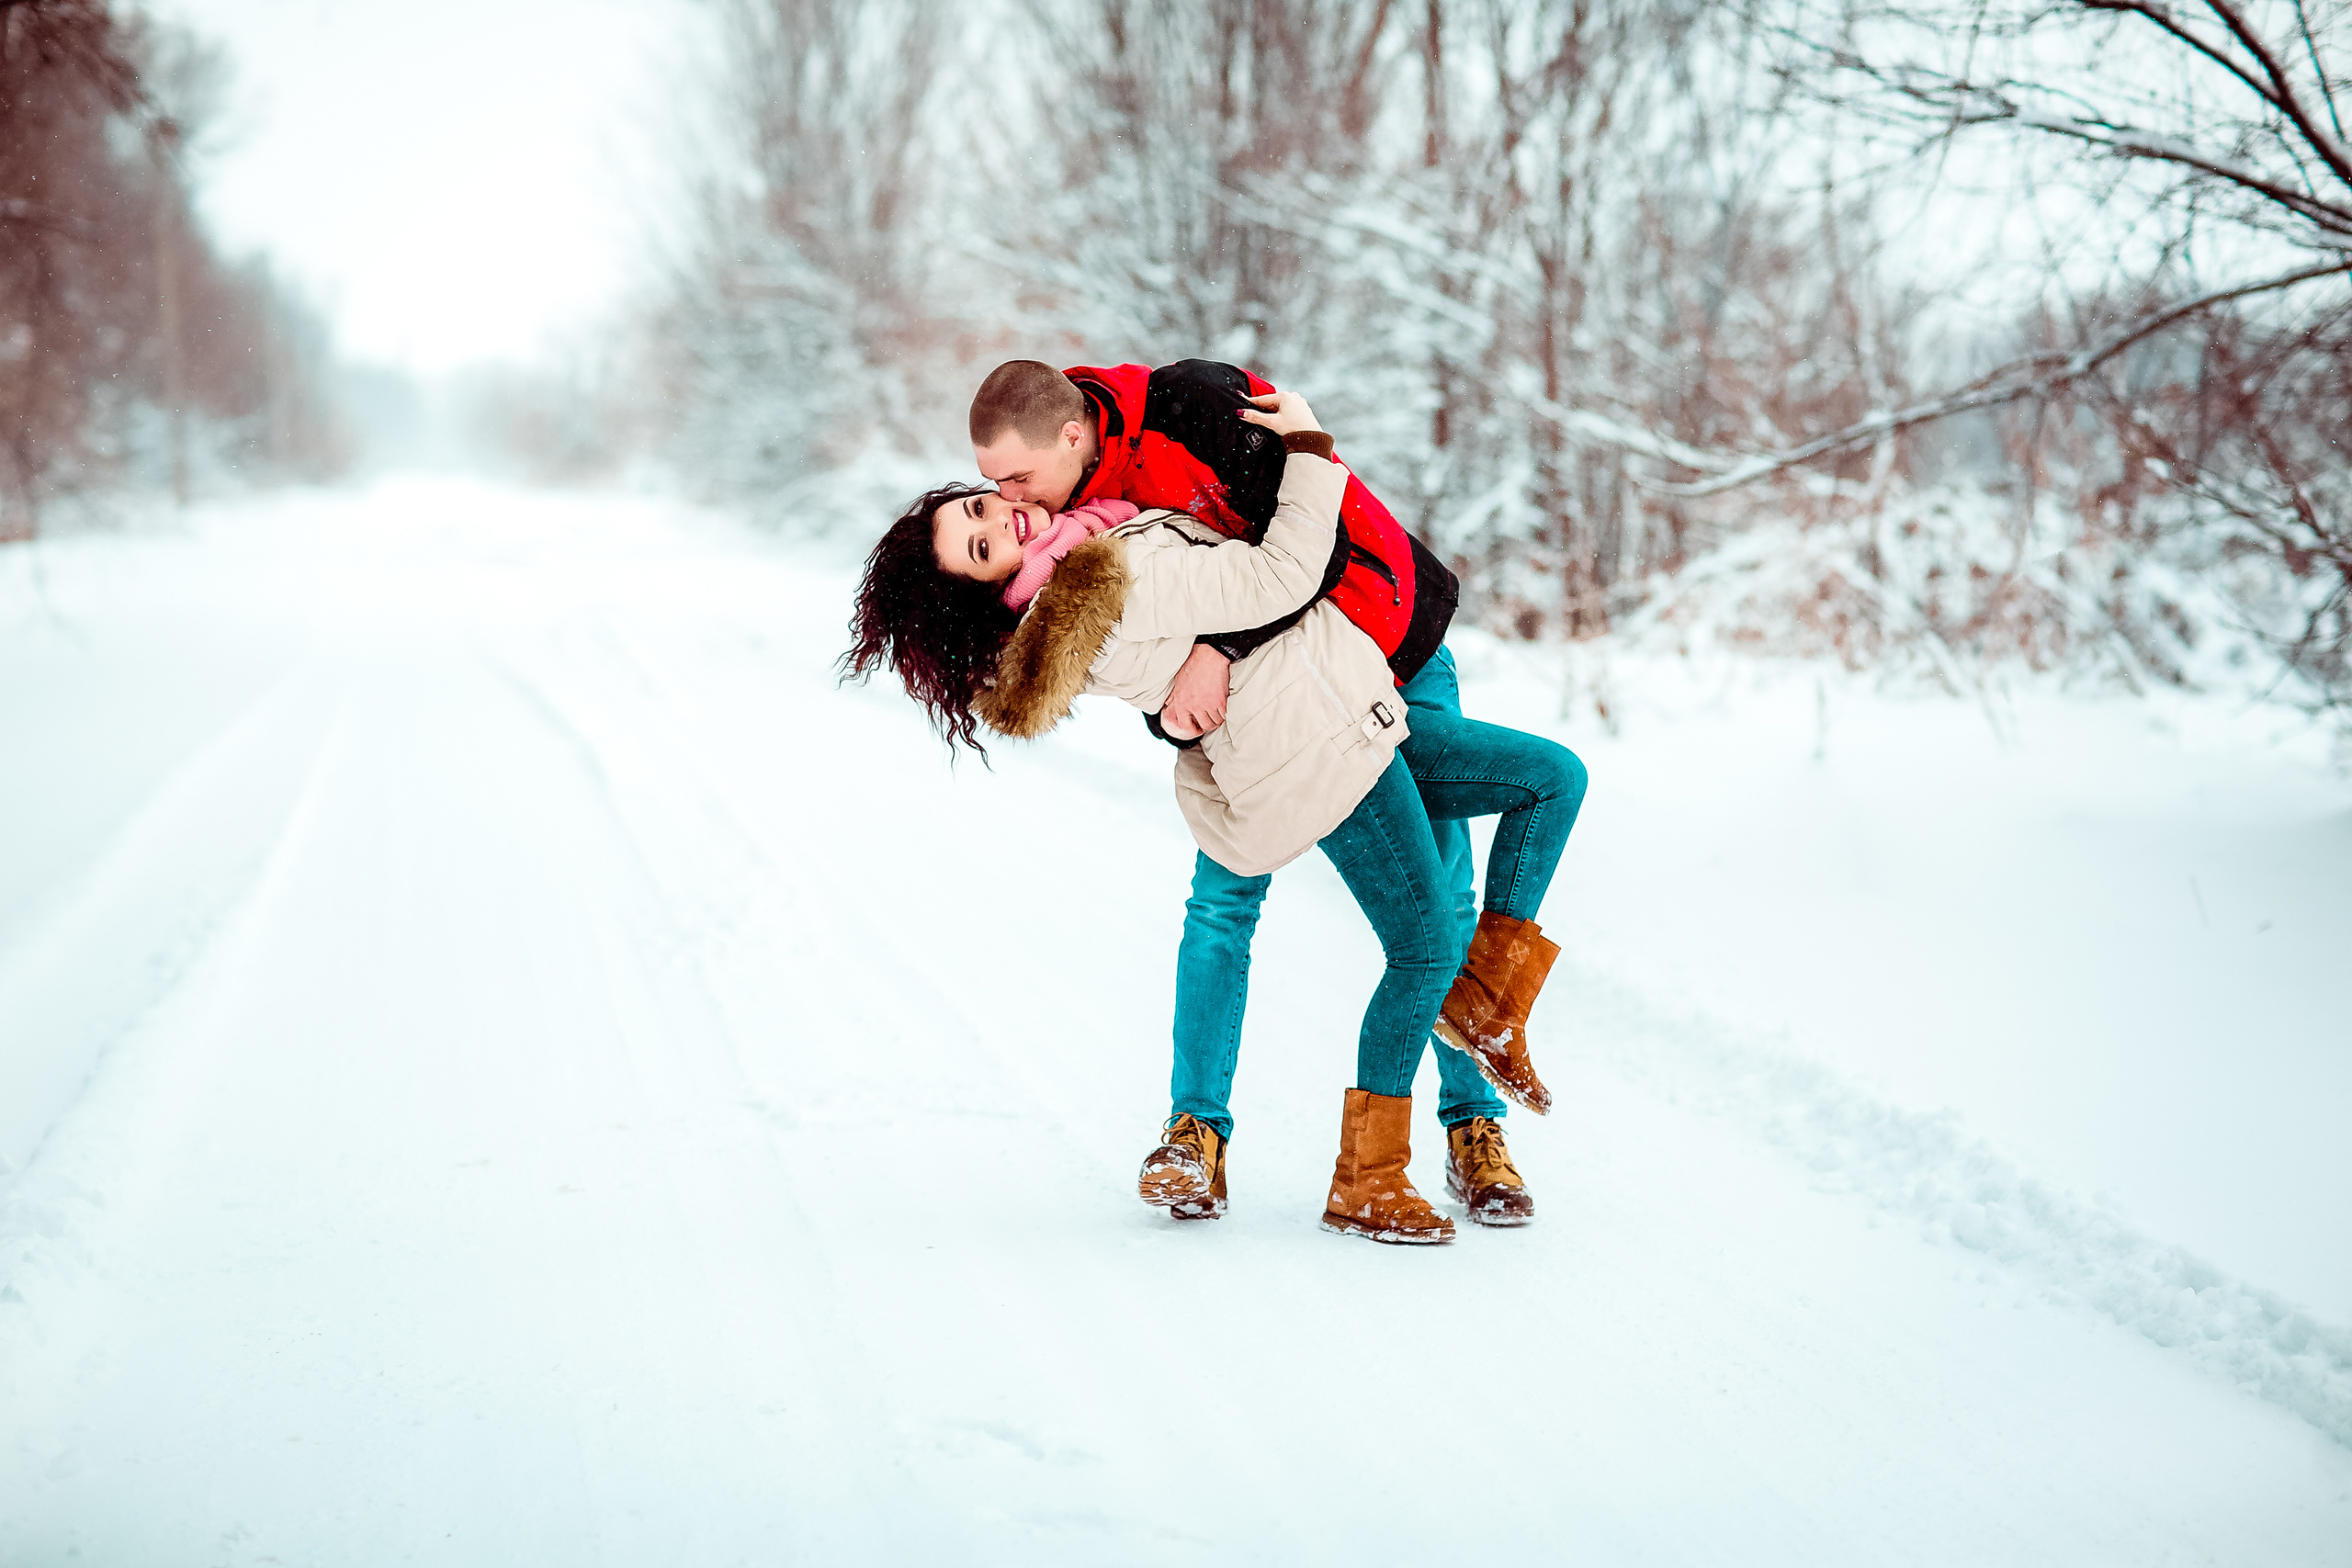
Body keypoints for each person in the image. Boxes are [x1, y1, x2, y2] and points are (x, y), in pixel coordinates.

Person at [846, 392, 1586, 1244]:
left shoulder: (1118, 488)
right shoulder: (1081, 567)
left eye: (997, 492)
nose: (1010, 504)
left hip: (1379, 664)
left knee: (1459, 895)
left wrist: (1208, 651)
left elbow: (1206, 587)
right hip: (1308, 728)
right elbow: (1241, 583)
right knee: (1291, 917)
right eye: (983, 524)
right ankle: (1222, 1136)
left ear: (1068, 434)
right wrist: (1309, 445)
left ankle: (1470, 1109)